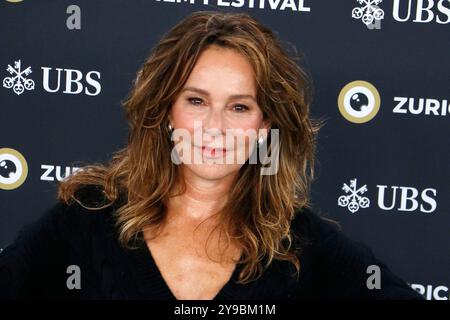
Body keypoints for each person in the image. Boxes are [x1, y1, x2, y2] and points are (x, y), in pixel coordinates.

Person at [0, 10, 423, 300]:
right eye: (197, 101)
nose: (214, 126)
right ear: (166, 112)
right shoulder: (85, 221)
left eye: (239, 107)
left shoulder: (303, 249)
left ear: (264, 129)